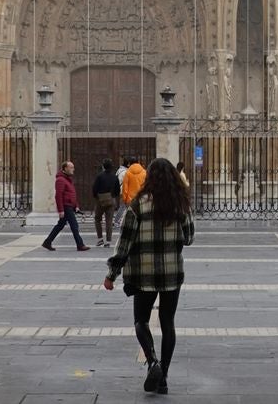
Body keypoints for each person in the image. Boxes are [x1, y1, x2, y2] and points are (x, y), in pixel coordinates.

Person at [104, 158, 196, 395]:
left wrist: (112, 274)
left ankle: (152, 362)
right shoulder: (180, 205)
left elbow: (124, 244)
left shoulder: (137, 205)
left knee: (141, 321)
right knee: (168, 324)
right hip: (171, 273)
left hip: (143, 274)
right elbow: (188, 238)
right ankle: (163, 377)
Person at [42, 161, 90, 251]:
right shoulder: (60, 180)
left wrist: (76, 205)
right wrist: (61, 210)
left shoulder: (67, 179)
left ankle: (47, 242)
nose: (73, 169)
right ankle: (80, 245)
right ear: (65, 168)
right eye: (71, 167)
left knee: (60, 225)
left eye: (73, 167)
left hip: (70, 205)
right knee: (74, 225)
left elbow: (72, 194)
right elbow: (58, 196)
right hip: (66, 206)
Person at [92, 158, 119, 247]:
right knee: (109, 221)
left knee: (97, 219)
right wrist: (112, 196)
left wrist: (96, 197)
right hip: (111, 200)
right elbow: (117, 190)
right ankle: (108, 241)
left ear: (103, 166)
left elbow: (94, 188)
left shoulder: (99, 176)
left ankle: (100, 239)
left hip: (100, 200)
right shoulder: (115, 177)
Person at [113, 156, 130, 228]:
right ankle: (117, 221)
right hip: (124, 191)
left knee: (124, 207)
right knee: (124, 207)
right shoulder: (125, 172)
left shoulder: (119, 170)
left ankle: (118, 220)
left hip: (121, 191)